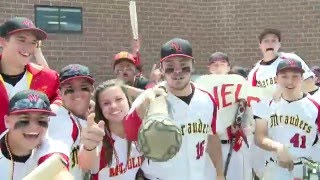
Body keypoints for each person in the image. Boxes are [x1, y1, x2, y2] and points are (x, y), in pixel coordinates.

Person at [123, 38, 224, 180]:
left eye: (183, 64)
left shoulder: (207, 98)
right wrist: (141, 110)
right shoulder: (148, 99)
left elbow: (212, 137)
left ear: (193, 65)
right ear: (162, 68)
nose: (177, 70)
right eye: (170, 65)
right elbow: (127, 136)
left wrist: (220, 173)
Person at [247, 28, 314, 178]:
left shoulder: (289, 58)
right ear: (260, 45)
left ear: (279, 44)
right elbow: (253, 102)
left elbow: (311, 84)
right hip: (275, 134)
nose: (289, 80)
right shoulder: (255, 72)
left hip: (309, 160)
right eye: (266, 41)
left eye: (274, 40)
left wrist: (288, 92)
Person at [253, 58, 320, 180]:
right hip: (277, 164)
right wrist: (278, 147)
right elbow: (259, 137)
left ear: (302, 78)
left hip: (311, 164)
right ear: (276, 79)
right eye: (284, 76)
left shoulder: (316, 105)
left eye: (295, 76)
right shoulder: (266, 104)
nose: (290, 81)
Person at [0, 17, 61, 134]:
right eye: (21, 40)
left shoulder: (47, 77)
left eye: (33, 42)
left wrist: (55, 107)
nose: (28, 47)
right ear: (2, 41)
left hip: (34, 149)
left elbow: (60, 96)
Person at [37, 64, 95, 180]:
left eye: (84, 88)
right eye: (69, 90)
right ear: (60, 93)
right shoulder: (58, 118)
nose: (77, 94)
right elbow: (53, 160)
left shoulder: (94, 115)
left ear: (92, 90)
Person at [78, 79, 145, 179]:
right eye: (106, 103)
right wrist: (89, 147)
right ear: (100, 109)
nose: (113, 106)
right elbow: (86, 165)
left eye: (119, 99)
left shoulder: (141, 130)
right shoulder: (97, 135)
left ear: (128, 100)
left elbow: (161, 97)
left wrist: (127, 88)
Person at [0, 90, 72, 180]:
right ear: (7, 121)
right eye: (24, 119)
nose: (34, 126)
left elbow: (61, 173)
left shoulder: (52, 146)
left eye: (41, 119)